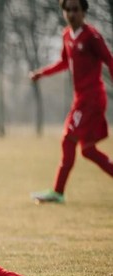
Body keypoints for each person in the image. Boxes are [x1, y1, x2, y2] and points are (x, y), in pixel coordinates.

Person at [29, 0, 113, 204]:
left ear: (84, 12)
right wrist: (42, 73)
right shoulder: (67, 35)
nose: (71, 13)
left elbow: (109, 60)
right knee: (88, 150)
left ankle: (57, 192)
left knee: (68, 139)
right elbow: (64, 62)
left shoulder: (91, 36)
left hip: (92, 99)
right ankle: (57, 192)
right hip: (81, 99)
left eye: (76, 9)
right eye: (67, 10)